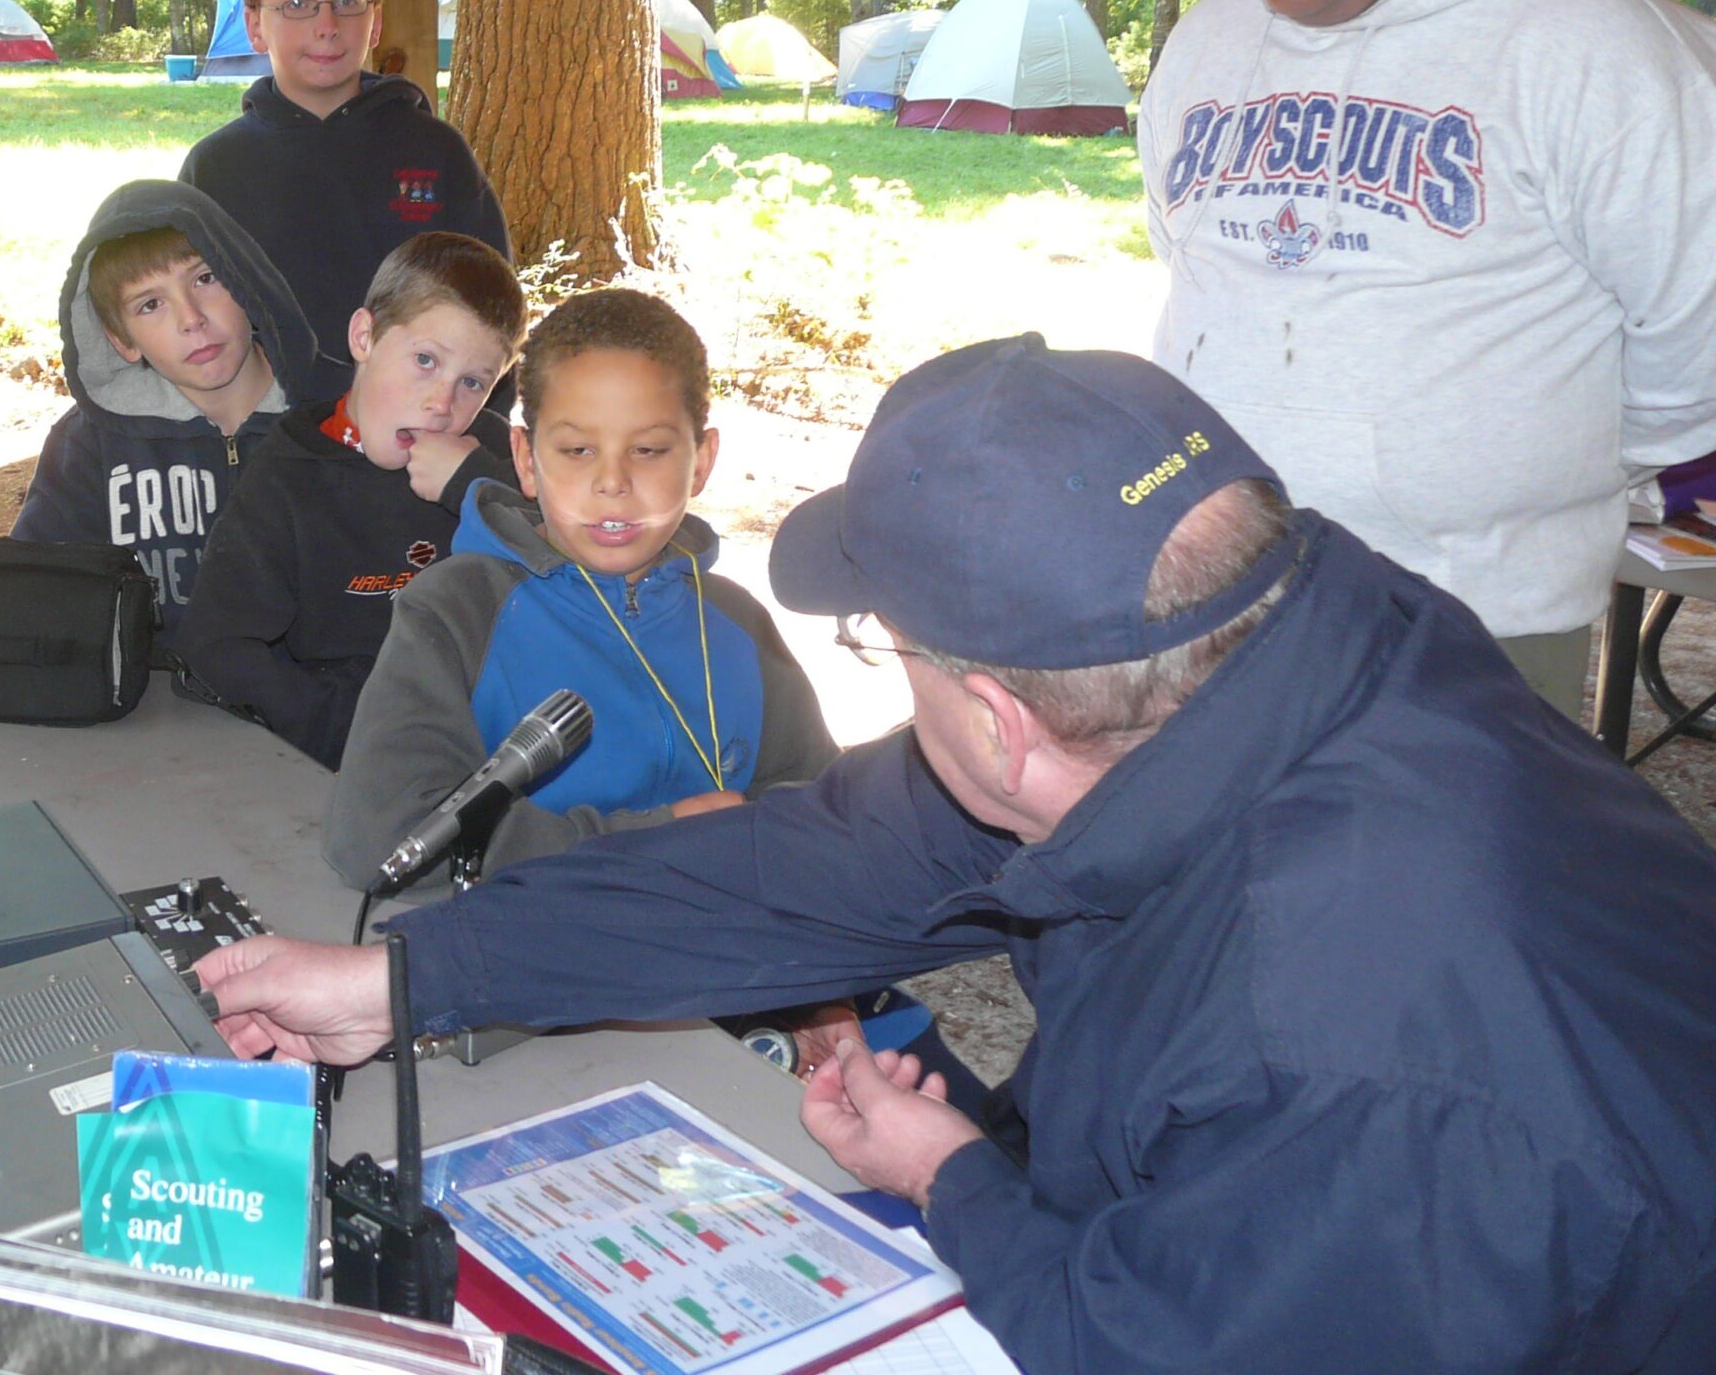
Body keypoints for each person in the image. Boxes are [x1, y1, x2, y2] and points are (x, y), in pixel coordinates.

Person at [198, 334, 1716, 1374]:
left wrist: (957, 1183)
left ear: (996, 717)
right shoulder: (1265, 656)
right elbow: (800, 868)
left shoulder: (1342, 1044)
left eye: (888, 645)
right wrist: (404, 978)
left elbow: (1155, 1343)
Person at [1137, 0, 1716, 719]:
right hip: (1215, 601)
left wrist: (1518, 478)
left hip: (1470, 626)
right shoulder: (1209, 42)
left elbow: (1696, 343)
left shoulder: (1600, 48)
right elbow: (1186, 258)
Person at [326, 288, 836, 890]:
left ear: (701, 461)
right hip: (542, 933)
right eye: (577, 450)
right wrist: (659, 843)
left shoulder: (735, 621)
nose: (612, 482)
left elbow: (821, 809)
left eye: (648, 450)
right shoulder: (459, 611)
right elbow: (383, 838)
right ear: (525, 459)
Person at [174, 231, 522, 767]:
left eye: (473, 383)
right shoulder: (290, 475)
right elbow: (215, 645)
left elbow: (575, 573)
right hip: (348, 751)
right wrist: (348, 726)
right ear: (364, 337)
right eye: (425, 360)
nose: (441, 403)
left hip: (493, 740)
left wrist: (474, 487)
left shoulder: (492, 457)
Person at [179, 0, 510, 389]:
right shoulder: (215, 169)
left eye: (348, 2)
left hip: (419, 417)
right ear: (254, 26)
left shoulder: (437, 153)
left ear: (375, 24)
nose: (327, 25)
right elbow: (187, 321)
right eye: (297, 4)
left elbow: (492, 311)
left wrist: (480, 421)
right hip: (264, 423)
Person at [10, 179, 321, 643]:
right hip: (151, 687)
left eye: (205, 279)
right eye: (150, 304)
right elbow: (28, 595)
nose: (191, 318)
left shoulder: (339, 422)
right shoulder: (88, 445)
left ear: (246, 282)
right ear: (122, 341)